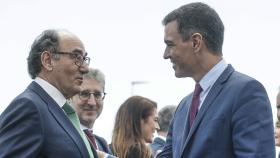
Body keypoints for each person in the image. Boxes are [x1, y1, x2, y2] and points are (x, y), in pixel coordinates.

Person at [157, 2, 275, 158]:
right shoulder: (183, 107)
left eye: (170, 44)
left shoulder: (246, 93)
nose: (166, 55)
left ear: (196, 42)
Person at [0, 29, 98, 158]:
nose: (85, 68)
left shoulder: (61, 111)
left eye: (84, 58)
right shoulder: (29, 106)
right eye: (76, 57)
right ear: (48, 60)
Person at [70, 68, 111, 153]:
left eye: (97, 95)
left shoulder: (102, 144)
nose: (92, 102)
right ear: (70, 98)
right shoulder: (63, 138)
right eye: (84, 94)